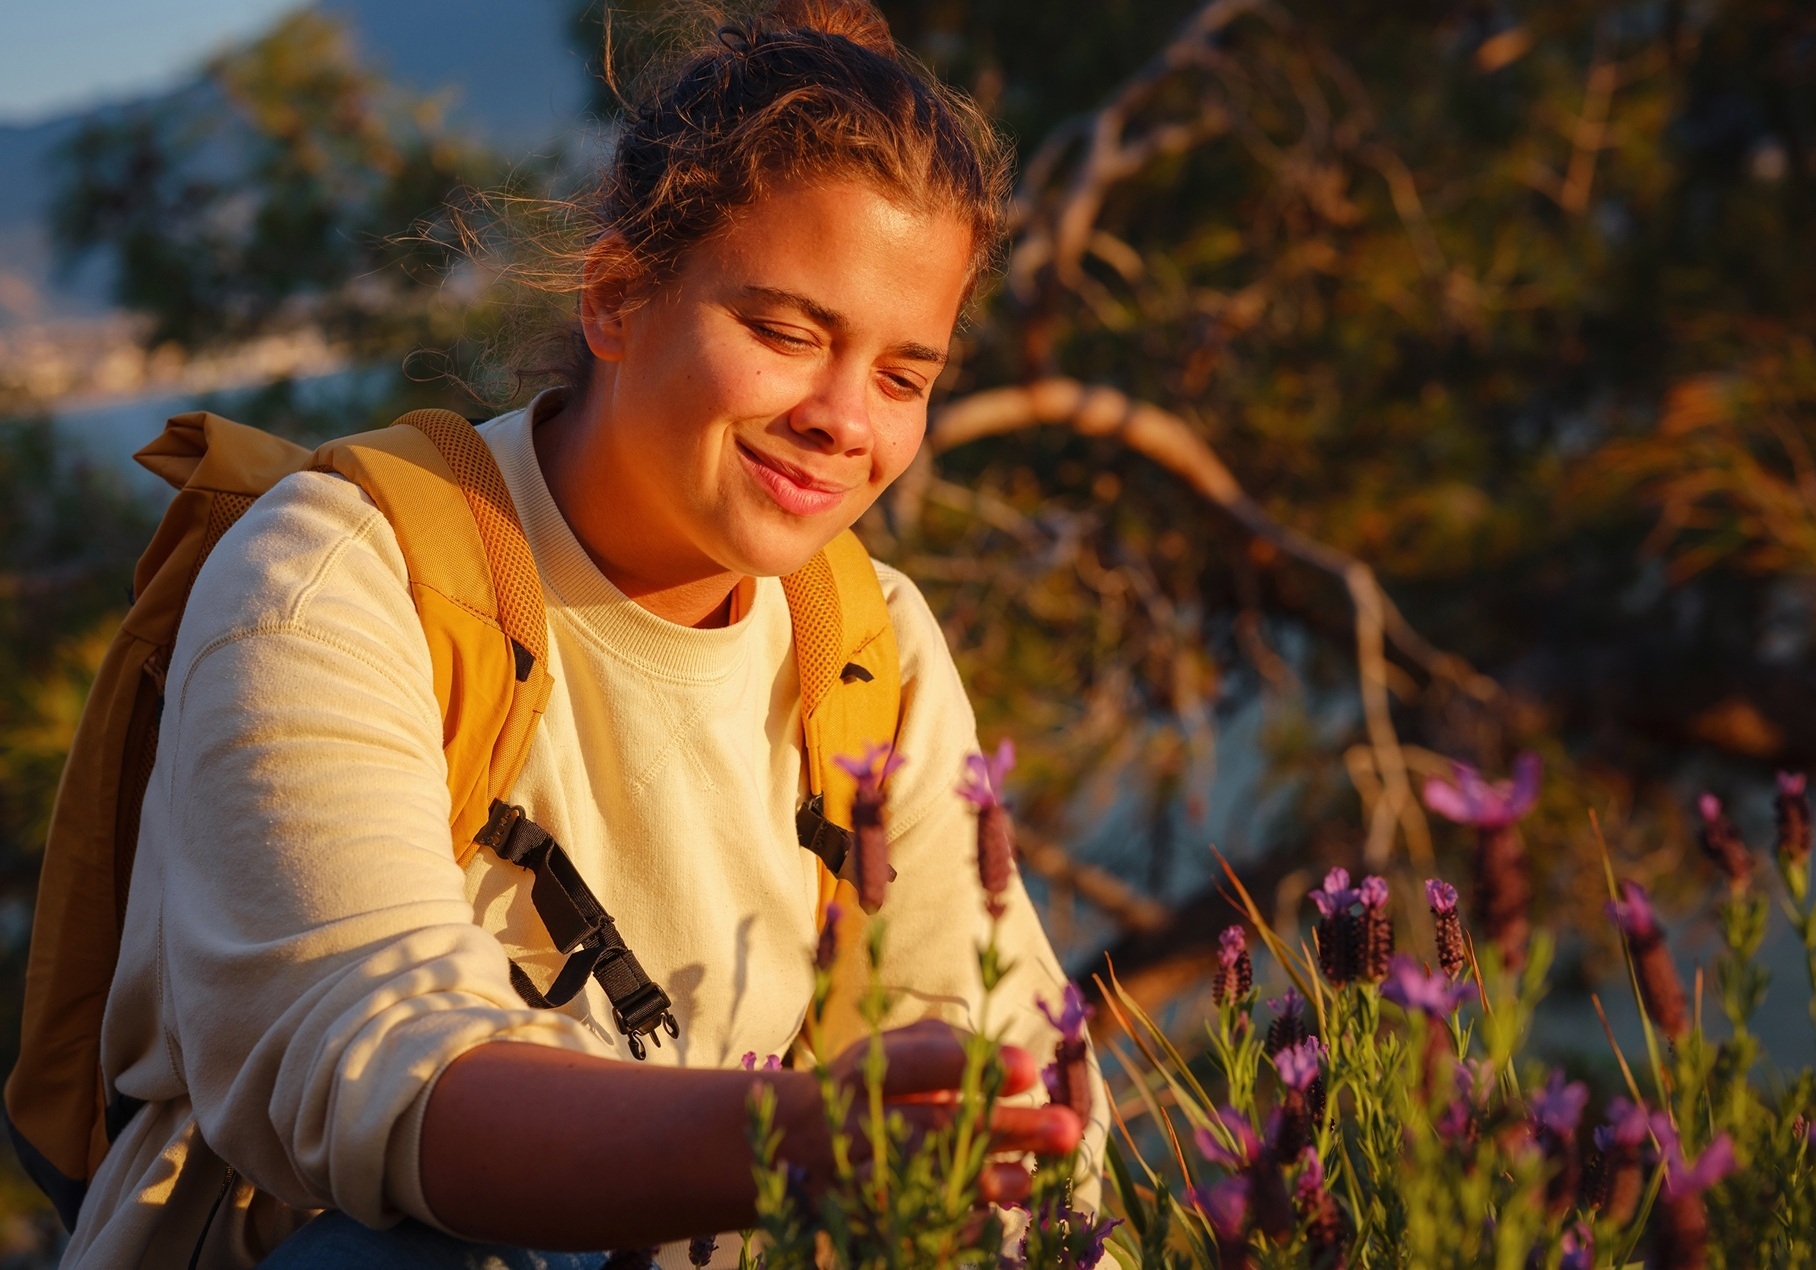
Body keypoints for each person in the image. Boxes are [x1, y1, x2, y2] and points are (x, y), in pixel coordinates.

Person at [59, 3, 1105, 1265]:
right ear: (618, 297)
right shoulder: (344, 573)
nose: (844, 419)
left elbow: (1014, 1095)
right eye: (785, 333)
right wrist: (796, 1140)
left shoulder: (870, 644)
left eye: (903, 375)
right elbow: (383, 1075)